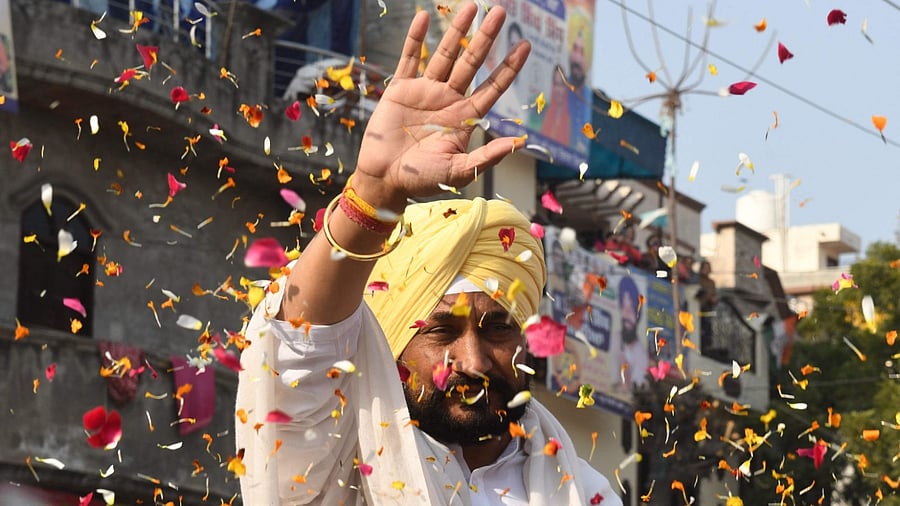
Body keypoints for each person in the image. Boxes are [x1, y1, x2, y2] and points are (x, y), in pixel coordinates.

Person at [235, 4, 622, 505]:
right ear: (392, 341)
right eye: (441, 330)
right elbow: (297, 352)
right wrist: (373, 195)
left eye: (499, 328)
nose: (473, 361)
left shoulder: (583, 492)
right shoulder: (335, 462)